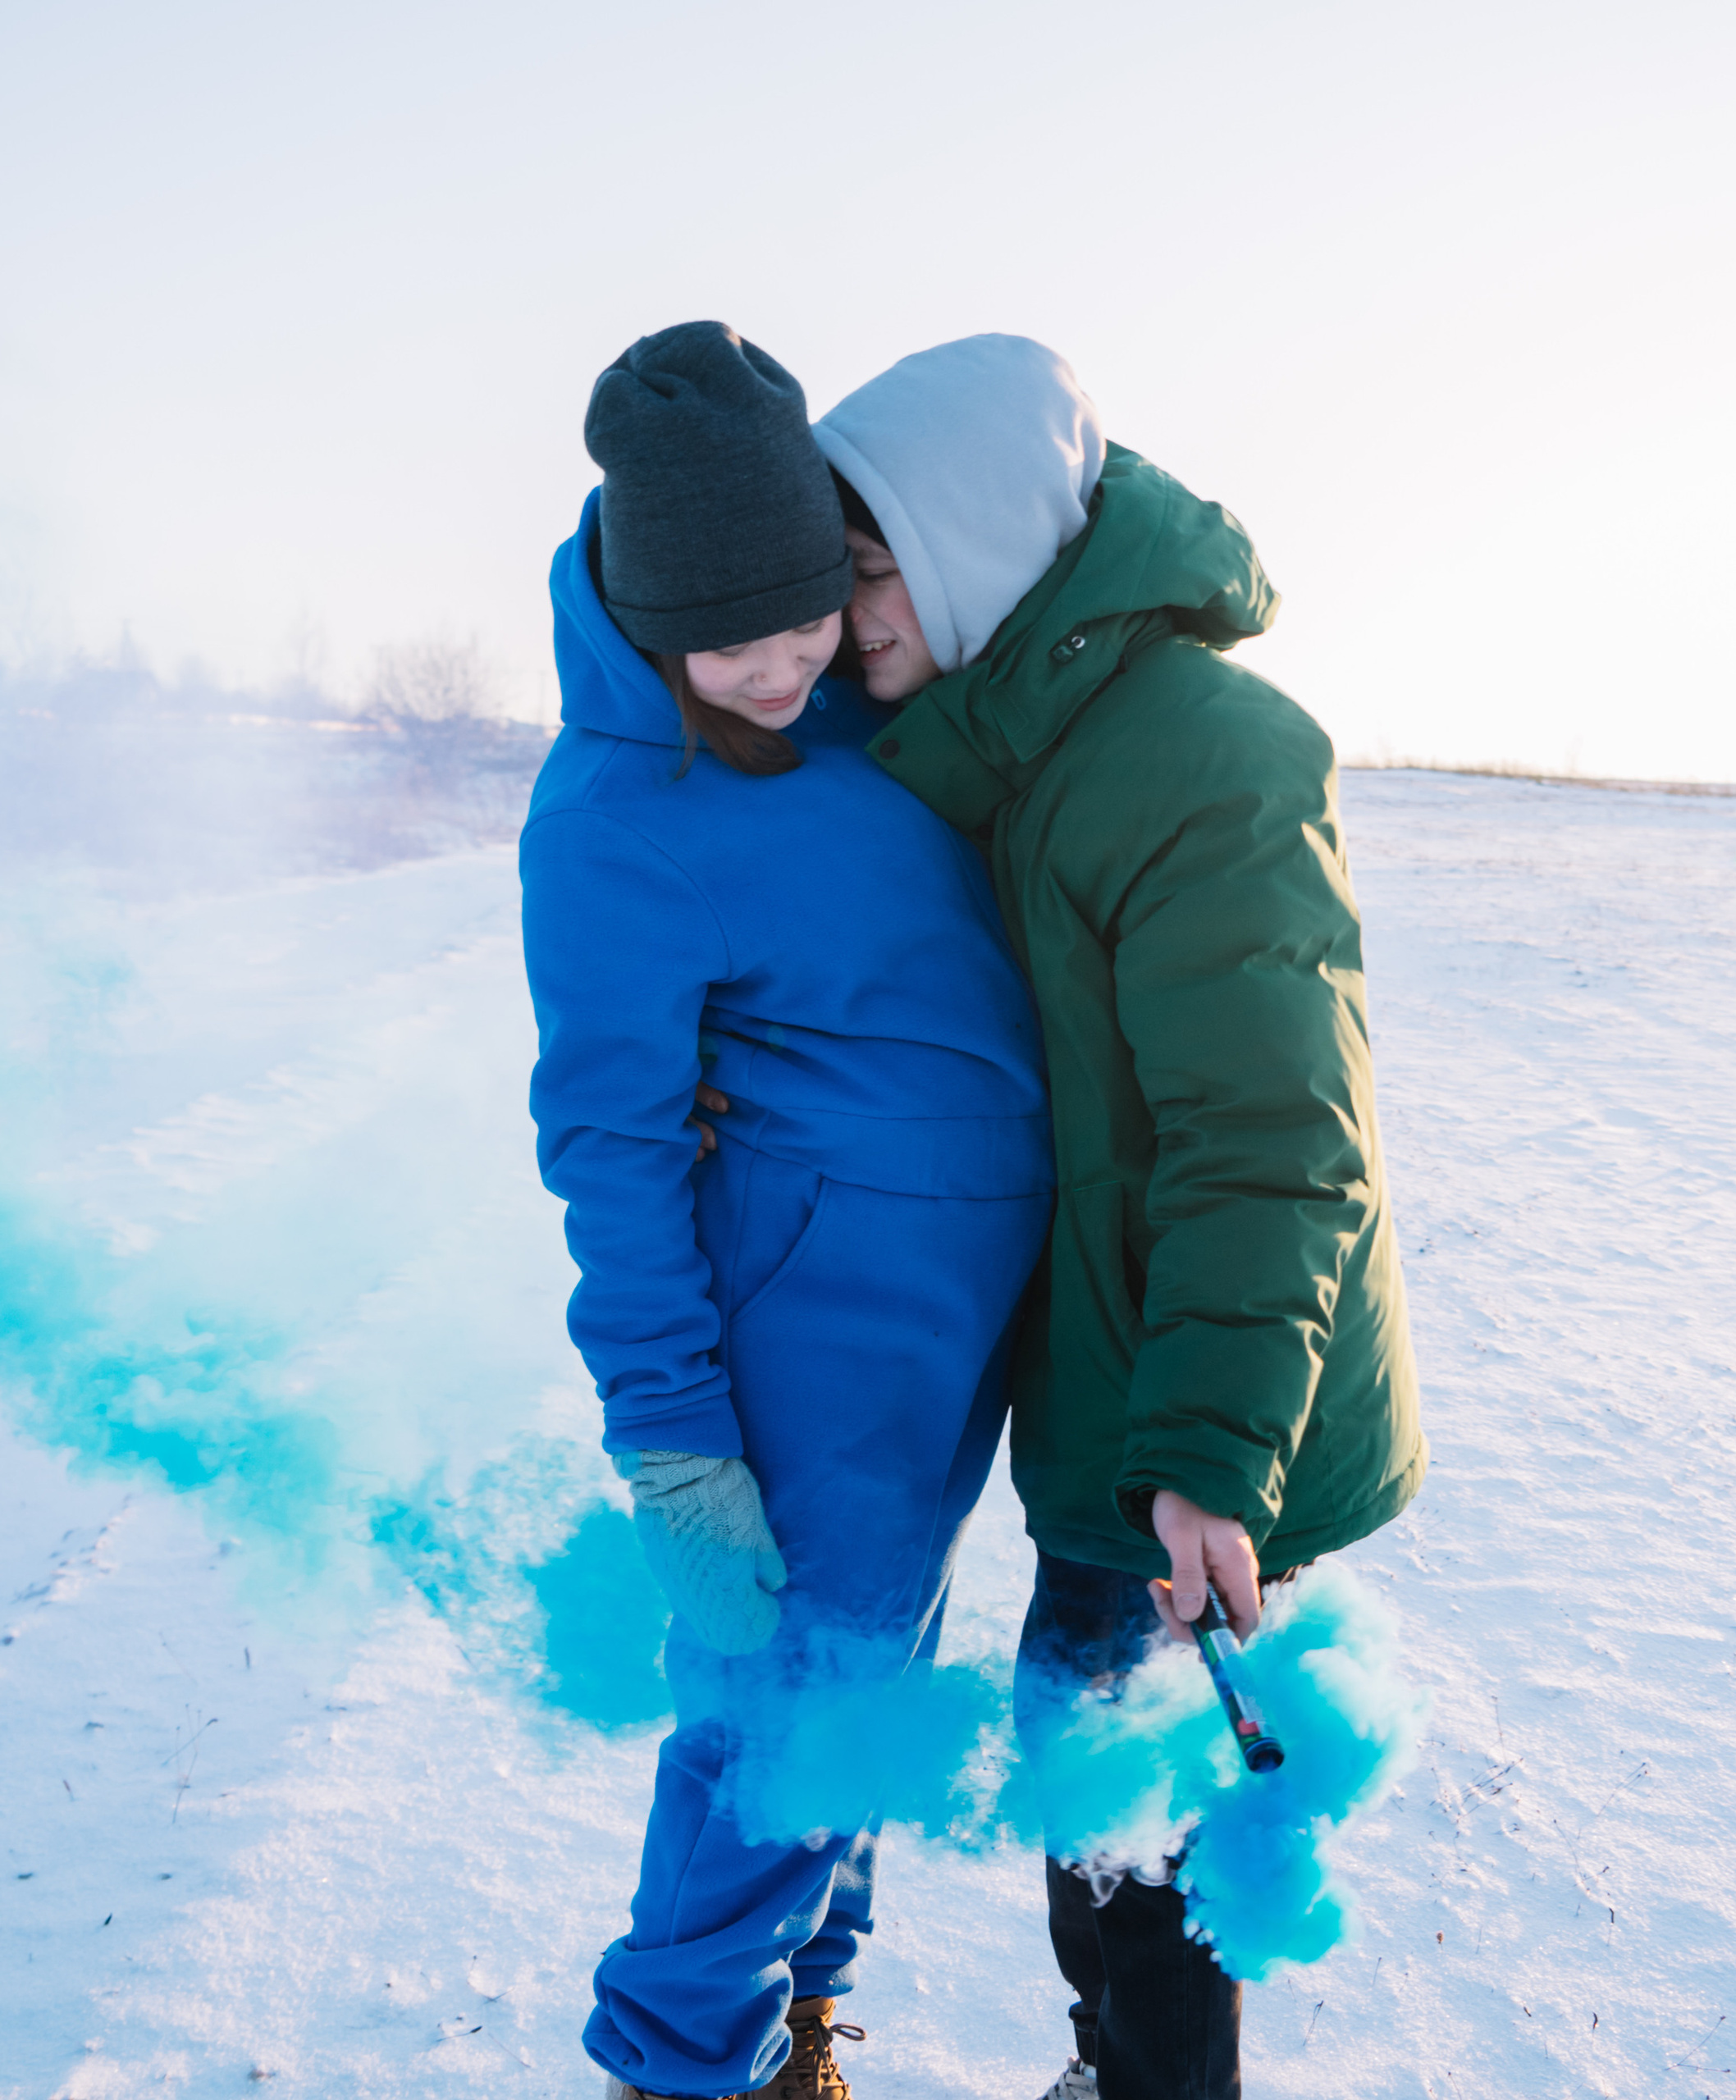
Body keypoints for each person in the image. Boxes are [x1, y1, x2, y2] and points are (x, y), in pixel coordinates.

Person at [811, 335, 1427, 2100]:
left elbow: (1273, 1138)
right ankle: (1116, 2070)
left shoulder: (1201, 755)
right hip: (1118, 1377)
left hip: (1203, 1404)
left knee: (1141, 1843)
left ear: (967, 549)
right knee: (1082, 1784)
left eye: (865, 572)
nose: (847, 617)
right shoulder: (1017, 748)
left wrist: (1215, 1452)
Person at [519, 322, 1054, 2100]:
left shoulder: (858, 706)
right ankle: (678, 2062)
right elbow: (608, 1143)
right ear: (652, 613)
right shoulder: (611, 814)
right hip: (810, 1332)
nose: (777, 665)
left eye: (806, 612)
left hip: (942, 1324)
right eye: (728, 636)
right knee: (777, 1711)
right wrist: (670, 1436)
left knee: (866, 1687)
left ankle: (798, 2020)